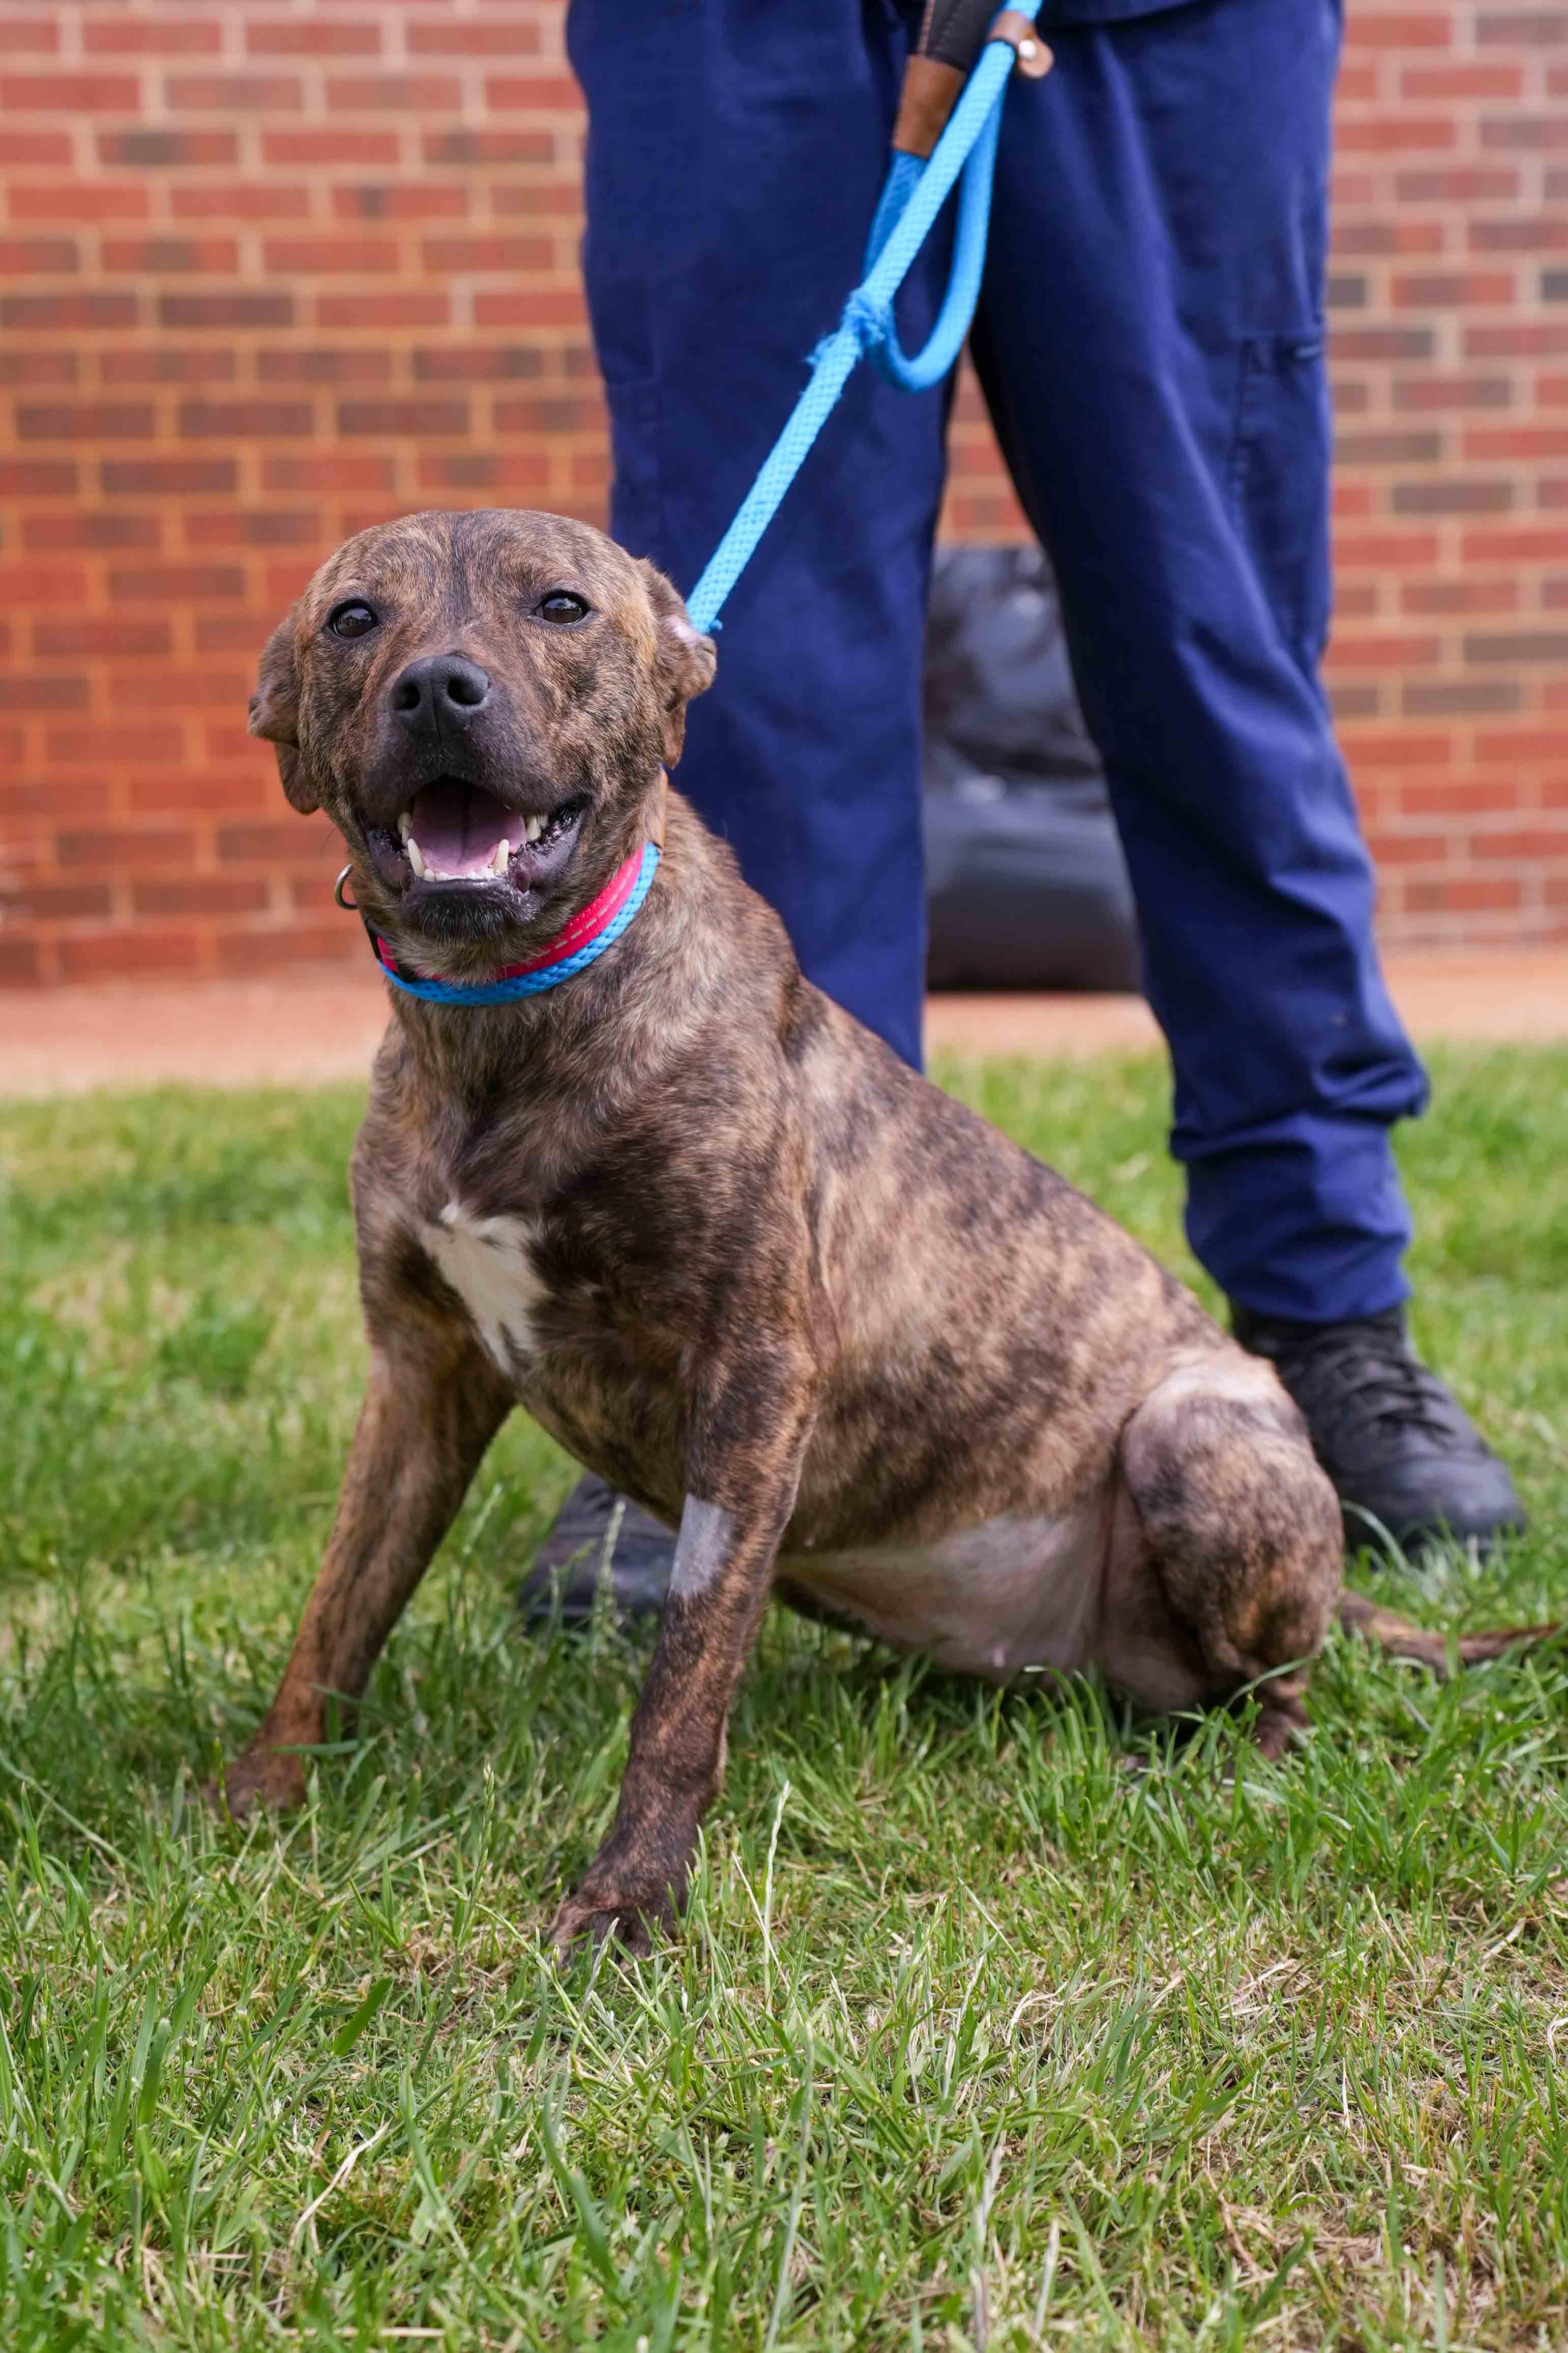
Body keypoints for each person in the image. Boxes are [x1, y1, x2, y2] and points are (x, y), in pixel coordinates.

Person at [524, 0, 1523, 1619]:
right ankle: (714, 1357)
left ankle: (1327, 1312)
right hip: (744, 44)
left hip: (1165, 30)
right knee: (755, 700)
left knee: (1218, 656)